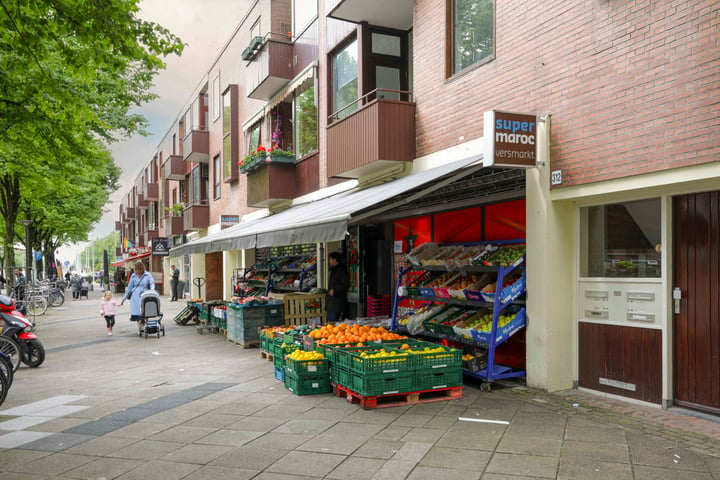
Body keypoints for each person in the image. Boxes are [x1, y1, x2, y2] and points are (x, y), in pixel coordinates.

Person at [120, 261, 154, 325]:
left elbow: (151, 282)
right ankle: (140, 323)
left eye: (139, 269)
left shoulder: (147, 275)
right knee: (137, 312)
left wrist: (152, 289)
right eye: (137, 269)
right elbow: (129, 288)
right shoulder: (133, 276)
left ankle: (143, 322)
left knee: (145, 309)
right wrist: (123, 299)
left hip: (145, 293)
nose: (138, 271)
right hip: (135, 295)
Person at [326, 252, 349, 323]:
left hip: (336, 303)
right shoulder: (334, 270)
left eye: (330, 259)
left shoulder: (341, 270)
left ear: (334, 260)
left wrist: (335, 289)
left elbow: (345, 285)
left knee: (334, 324)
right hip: (331, 303)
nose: (329, 261)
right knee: (330, 323)